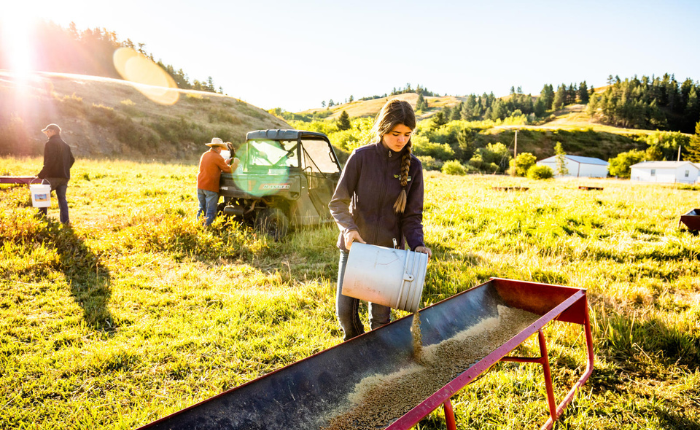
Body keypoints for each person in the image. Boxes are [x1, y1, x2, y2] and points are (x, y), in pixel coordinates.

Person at [329, 99, 432, 341]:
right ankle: (356, 349)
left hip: (389, 252)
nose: (401, 140)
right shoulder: (361, 157)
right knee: (345, 313)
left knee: (381, 319)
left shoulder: (414, 168)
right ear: (383, 128)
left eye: (407, 135)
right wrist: (349, 229)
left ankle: (378, 360)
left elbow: (412, 216)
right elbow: (338, 202)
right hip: (355, 248)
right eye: (396, 133)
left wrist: (417, 244)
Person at [37, 123, 75, 225]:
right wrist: (64, 169)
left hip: (52, 176)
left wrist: (42, 174)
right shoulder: (66, 145)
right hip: (64, 177)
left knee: (42, 196)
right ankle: (65, 221)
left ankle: (42, 219)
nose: (46, 134)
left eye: (48, 131)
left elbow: (50, 160)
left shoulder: (49, 144)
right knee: (62, 199)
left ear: (53, 131)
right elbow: (72, 160)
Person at [196, 137, 239, 226]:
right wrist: (235, 164)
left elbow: (212, 166)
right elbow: (229, 170)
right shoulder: (217, 157)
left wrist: (224, 162)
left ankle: (198, 226)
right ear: (219, 148)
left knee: (201, 208)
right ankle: (207, 229)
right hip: (210, 187)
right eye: (221, 149)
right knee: (211, 210)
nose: (221, 151)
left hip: (200, 186)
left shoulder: (205, 154)